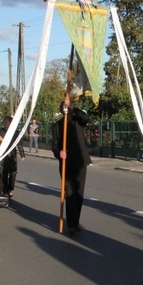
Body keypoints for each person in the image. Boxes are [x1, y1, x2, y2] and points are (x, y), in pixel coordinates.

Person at [52, 96, 92, 234]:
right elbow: (55, 146)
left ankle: (75, 221)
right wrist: (59, 153)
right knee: (69, 192)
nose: (66, 110)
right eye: (64, 107)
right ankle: (72, 225)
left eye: (67, 107)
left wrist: (73, 107)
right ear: (61, 110)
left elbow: (86, 118)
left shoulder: (77, 121)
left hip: (80, 160)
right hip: (66, 162)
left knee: (79, 193)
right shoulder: (57, 125)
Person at [0, 116, 25, 199]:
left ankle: (10, 189)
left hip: (12, 154)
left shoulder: (16, 132)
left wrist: (22, 154)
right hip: (3, 154)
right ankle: (5, 190)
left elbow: (19, 144)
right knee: (4, 173)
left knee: (13, 173)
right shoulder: (1, 131)